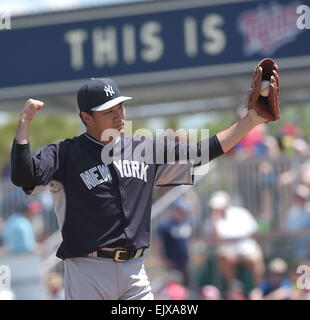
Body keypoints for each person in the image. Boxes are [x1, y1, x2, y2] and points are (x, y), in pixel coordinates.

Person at [10, 69, 279, 300]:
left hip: (134, 271)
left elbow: (200, 152)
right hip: (87, 271)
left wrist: (251, 120)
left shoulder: (143, 148)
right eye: (108, 111)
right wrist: (23, 125)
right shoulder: (65, 154)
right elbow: (23, 176)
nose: (119, 116)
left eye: (120, 107)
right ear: (86, 117)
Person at [204, 191, 265, 285]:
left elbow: (254, 231)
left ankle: (259, 287)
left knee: (256, 258)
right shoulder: (211, 220)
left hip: (246, 249)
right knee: (224, 257)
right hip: (229, 251)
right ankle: (234, 285)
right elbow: (213, 239)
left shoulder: (241, 213)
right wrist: (214, 223)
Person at [157, 197, 193, 287]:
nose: (182, 213)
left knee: (187, 288)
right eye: (180, 210)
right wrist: (165, 260)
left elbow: (188, 242)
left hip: (184, 262)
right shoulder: (165, 225)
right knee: (174, 288)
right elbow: (157, 244)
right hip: (172, 264)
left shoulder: (186, 223)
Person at [284, 184, 310, 259]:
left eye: (302, 197)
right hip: (294, 249)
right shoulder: (291, 212)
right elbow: (287, 230)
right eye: (297, 196)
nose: (299, 199)